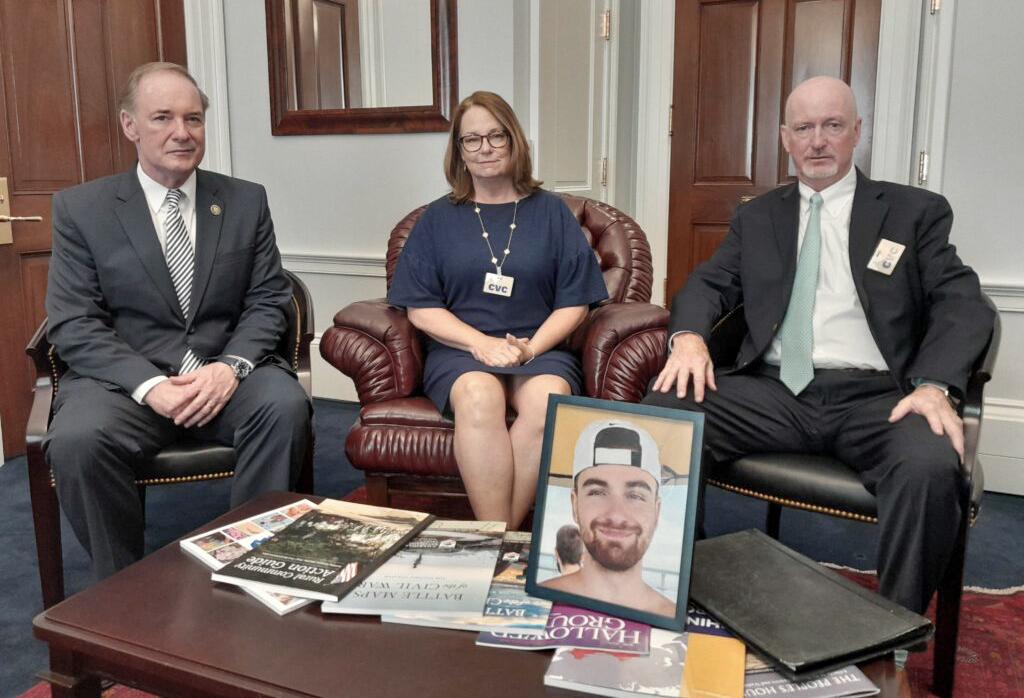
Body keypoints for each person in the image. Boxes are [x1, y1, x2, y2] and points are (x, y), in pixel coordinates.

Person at [645, 76, 995, 615]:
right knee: (664, 416)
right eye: (804, 128)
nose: (817, 142)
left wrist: (934, 386)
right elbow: (709, 284)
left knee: (929, 465)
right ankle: (684, 586)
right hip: (775, 392)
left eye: (832, 126)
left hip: (879, 398)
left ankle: (891, 635)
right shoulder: (757, 216)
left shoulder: (912, 212)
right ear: (785, 139)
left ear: (857, 132)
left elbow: (962, 302)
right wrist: (689, 339)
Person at [43, 62, 311, 581]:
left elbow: (268, 299)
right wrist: (149, 385)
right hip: (125, 387)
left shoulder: (244, 200)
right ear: (130, 127)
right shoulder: (82, 210)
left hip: (222, 377)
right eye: (162, 117)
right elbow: (75, 321)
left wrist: (230, 367)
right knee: (78, 438)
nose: (181, 132)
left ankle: (256, 568)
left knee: (284, 404)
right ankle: (119, 589)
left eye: (193, 118)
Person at [387, 91, 608, 527]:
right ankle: (499, 539)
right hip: (461, 351)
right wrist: (481, 344)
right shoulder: (436, 219)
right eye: (472, 140)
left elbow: (575, 303)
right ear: (459, 151)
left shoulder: (554, 214)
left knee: (548, 402)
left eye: (496, 136)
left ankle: (497, 539)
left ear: (515, 141)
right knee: (478, 394)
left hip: (540, 347)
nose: (485, 148)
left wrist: (527, 350)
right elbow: (421, 309)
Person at [542, 421, 675, 617]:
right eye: (597, 492)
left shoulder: (672, 615)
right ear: (574, 504)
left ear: (657, 511)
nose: (616, 515)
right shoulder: (541, 599)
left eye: (636, 495)